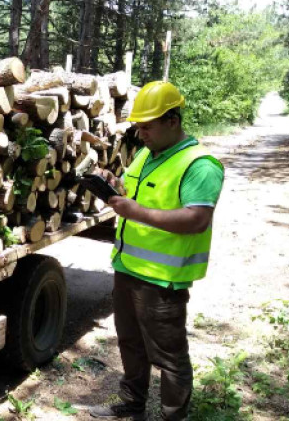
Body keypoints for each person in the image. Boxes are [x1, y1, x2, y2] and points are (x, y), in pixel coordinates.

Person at [88, 81, 225, 421]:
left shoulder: (200, 165)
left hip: (163, 281)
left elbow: (196, 219)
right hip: (128, 269)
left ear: (172, 121)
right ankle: (131, 405)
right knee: (130, 345)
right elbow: (136, 192)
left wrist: (135, 212)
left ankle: (172, 416)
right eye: (138, 127)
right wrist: (114, 184)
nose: (141, 134)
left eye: (147, 126)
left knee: (169, 358)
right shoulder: (148, 154)